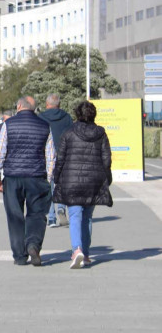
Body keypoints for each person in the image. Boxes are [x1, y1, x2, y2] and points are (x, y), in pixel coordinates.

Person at [0, 96, 55, 267]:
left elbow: (0, 152)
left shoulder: (8, 124)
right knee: (37, 214)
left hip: (13, 177)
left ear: (19, 105)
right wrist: (48, 178)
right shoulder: (44, 125)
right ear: (34, 108)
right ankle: (33, 244)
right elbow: (51, 156)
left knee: (15, 216)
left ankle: (20, 255)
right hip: (36, 176)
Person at [53, 101, 112, 269]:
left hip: (72, 181)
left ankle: (76, 250)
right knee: (87, 217)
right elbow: (106, 158)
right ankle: (85, 254)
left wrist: (56, 177)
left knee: (75, 216)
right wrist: (107, 178)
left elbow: (61, 158)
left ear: (77, 115)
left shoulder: (68, 132)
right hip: (94, 181)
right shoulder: (101, 133)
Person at [39, 93, 73, 228]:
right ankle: (61, 208)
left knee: (50, 185)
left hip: (46, 155)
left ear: (47, 105)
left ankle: (51, 217)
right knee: (62, 184)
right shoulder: (67, 117)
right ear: (59, 105)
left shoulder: (41, 117)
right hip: (64, 154)